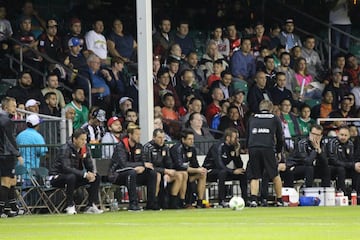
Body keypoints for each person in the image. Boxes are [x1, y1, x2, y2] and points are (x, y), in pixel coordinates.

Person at [49, 128, 103, 215]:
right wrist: (84, 174)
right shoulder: (65, 148)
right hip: (57, 177)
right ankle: (70, 205)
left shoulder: (85, 149)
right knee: (71, 176)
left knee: (96, 177)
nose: (84, 142)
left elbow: (89, 165)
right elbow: (66, 168)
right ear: (74, 139)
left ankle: (91, 205)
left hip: (76, 176)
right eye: (82, 139)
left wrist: (91, 173)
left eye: (85, 139)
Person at [108, 125, 158, 211]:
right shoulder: (121, 146)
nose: (139, 136)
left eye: (140, 134)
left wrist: (142, 167)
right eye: (137, 134)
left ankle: (151, 203)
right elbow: (123, 164)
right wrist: (139, 165)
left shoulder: (139, 146)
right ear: (130, 135)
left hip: (135, 174)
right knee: (131, 173)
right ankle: (133, 204)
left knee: (152, 173)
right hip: (118, 175)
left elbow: (144, 161)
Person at [247, 100, 284, 207]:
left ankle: (254, 199)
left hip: (253, 147)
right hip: (267, 147)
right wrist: (278, 151)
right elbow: (280, 137)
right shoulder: (274, 118)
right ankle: (280, 200)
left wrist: (249, 148)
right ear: (271, 108)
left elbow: (248, 134)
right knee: (275, 174)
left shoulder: (252, 118)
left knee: (255, 175)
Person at [143, 129, 188, 209]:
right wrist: (164, 171)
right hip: (150, 173)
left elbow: (169, 162)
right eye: (159, 138)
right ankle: (154, 202)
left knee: (181, 174)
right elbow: (149, 166)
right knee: (157, 175)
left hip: (164, 172)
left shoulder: (165, 147)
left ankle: (176, 202)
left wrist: (168, 172)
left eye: (163, 138)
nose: (161, 140)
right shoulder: (148, 147)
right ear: (154, 137)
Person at [203, 127, 248, 207]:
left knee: (242, 173)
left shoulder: (233, 147)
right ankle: (222, 200)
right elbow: (219, 164)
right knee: (222, 172)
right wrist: (233, 171)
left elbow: (239, 165)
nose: (237, 140)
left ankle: (246, 200)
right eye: (235, 138)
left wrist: (237, 153)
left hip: (223, 170)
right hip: (210, 171)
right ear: (228, 138)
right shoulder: (218, 146)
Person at [281, 124, 331, 189]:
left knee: (326, 168)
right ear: (309, 133)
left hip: (311, 168)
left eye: (317, 135)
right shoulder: (302, 143)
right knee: (309, 168)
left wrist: (319, 151)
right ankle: (308, 192)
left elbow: (325, 162)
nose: (314, 136)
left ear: (321, 136)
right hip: (296, 167)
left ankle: (326, 192)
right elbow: (307, 162)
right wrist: (315, 149)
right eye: (313, 134)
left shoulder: (322, 144)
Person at [170, 129, 207, 208]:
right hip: (176, 173)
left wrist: (200, 169)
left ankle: (200, 202)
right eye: (189, 139)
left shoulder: (192, 149)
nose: (192, 141)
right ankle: (182, 201)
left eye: (193, 139)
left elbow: (195, 164)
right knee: (184, 173)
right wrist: (197, 170)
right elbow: (179, 166)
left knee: (203, 174)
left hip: (188, 174)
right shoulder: (177, 148)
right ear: (183, 139)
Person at [0, 97, 24, 217]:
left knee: (11, 180)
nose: (15, 108)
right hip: (6, 155)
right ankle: (2, 209)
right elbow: (10, 140)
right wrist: (18, 154)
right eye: (13, 106)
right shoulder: (6, 121)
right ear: (5, 107)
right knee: (6, 181)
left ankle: (11, 207)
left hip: (3, 155)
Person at [327, 126, 360, 195]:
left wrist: (355, 165)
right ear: (338, 134)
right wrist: (352, 165)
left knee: (357, 170)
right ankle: (343, 195)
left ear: (349, 136)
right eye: (341, 135)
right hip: (332, 168)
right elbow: (333, 160)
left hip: (345, 166)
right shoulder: (333, 142)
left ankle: (356, 194)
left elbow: (351, 160)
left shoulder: (350, 144)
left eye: (345, 135)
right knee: (341, 169)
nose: (343, 137)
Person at [16, 114, 47, 186]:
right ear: (37, 125)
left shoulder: (20, 135)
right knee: (32, 194)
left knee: (21, 193)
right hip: (32, 170)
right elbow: (42, 152)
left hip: (19, 169)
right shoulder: (38, 137)